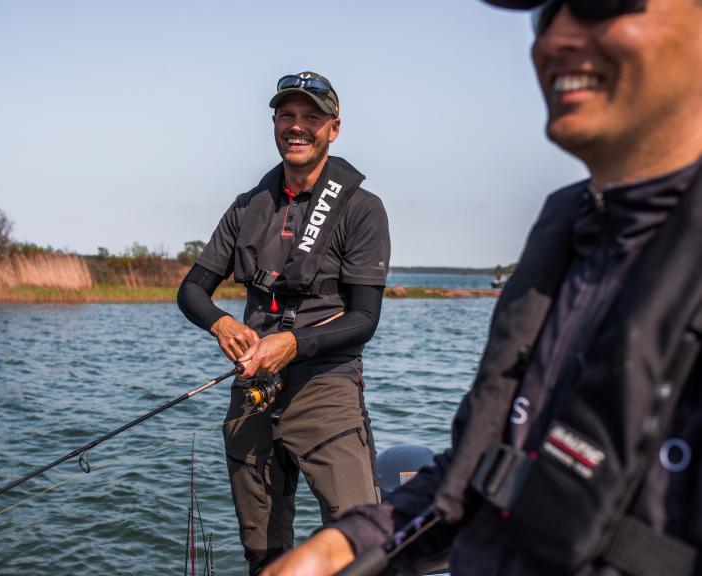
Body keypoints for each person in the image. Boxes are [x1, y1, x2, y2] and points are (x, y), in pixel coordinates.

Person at [262, 1, 702, 575]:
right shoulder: (566, 225)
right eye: (546, 15)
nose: (556, 38)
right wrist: (339, 546)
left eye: (600, 2)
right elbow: (473, 476)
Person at [176, 71, 391, 574]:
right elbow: (190, 290)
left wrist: (293, 345)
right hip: (253, 385)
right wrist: (222, 325)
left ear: (333, 129)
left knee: (358, 538)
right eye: (287, 116)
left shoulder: (362, 209)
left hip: (326, 386)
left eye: (311, 118)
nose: (297, 127)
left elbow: (364, 318)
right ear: (274, 122)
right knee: (262, 549)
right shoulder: (247, 206)